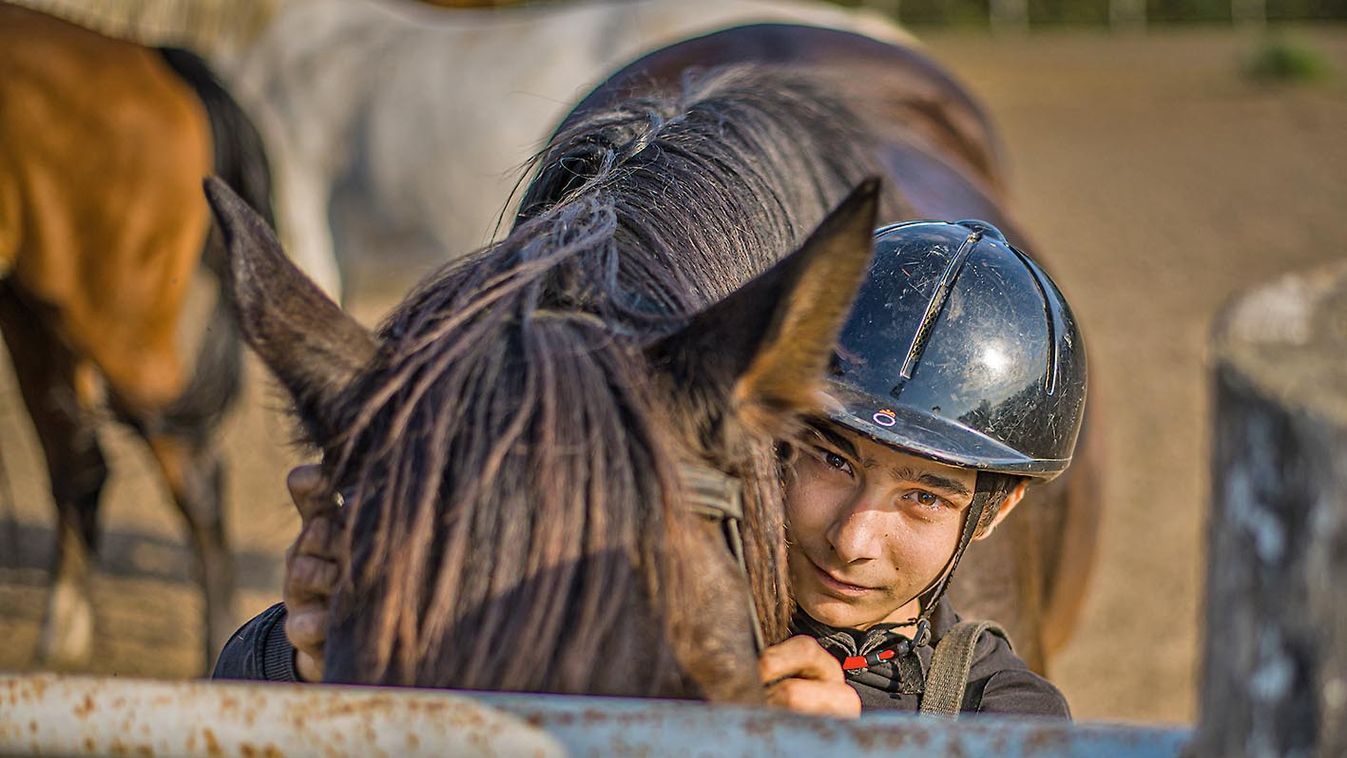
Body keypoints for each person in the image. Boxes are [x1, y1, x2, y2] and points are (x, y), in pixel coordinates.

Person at [214, 219, 1086, 719]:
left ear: (995, 511)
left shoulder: (1001, 718)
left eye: (923, 496)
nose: (855, 536)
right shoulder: (630, 593)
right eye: (831, 456)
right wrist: (298, 657)